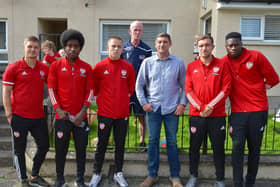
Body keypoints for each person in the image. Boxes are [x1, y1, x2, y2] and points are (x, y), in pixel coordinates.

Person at [221, 32, 279, 187]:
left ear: (241, 44)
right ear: (226, 47)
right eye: (230, 45)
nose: (233, 48)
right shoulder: (224, 62)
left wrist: (260, 88)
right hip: (238, 112)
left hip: (257, 111)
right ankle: (237, 183)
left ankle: (250, 183)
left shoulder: (256, 57)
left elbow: (274, 78)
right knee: (237, 147)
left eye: (236, 44)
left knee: (254, 149)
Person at [136, 32, 186, 187]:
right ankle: (152, 175)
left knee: (172, 142)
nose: (162, 45)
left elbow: (185, 87)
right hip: (153, 109)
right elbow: (139, 86)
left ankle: (175, 176)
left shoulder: (178, 63)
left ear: (170, 44)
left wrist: (182, 104)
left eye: (165, 42)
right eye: (159, 42)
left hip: (172, 109)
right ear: (155, 45)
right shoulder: (148, 63)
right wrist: (144, 103)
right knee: (152, 142)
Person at [48, 29, 93, 187]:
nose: (73, 48)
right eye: (69, 46)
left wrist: (83, 112)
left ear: (80, 48)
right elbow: (52, 89)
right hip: (62, 117)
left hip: (81, 117)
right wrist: (58, 109)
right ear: (64, 47)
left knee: (81, 150)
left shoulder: (86, 68)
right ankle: (60, 179)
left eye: (76, 46)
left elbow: (90, 91)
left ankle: (79, 180)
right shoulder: (55, 66)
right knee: (61, 150)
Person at [184, 35, 232, 187]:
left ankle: (220, 179)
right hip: (197, 115)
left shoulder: (222, 65)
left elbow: (226, 89)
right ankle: (193, 176)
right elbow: (188, 89)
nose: (204, 48)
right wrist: (200, 107)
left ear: (212, 46)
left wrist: (209, 106)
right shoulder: (192, 66)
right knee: (194, 148)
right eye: (201, 46)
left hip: (217, 115)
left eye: (207, 45)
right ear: (197, 48)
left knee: (218, 149)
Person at [2, 36, 50, 187]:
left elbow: (54, 85)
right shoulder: (13, 68)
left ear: (39, 50)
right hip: (19, 117)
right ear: (24, 47)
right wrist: (9, 114)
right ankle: (23, 180)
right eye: (30, 46)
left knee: (44, 146)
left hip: (38, 117)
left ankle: (34, 175)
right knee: (19, 149)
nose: (33, 50)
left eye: (36, 47)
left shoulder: (44, 69)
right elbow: (6, 92)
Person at [89, 36, 135, 187]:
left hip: (122, 115)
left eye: (119, 47)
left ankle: (119, 173)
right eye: (113, 46)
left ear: (123, 49)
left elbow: (130, 88)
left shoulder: (127, 67)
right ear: (107, 48)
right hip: (104, 114)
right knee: (101, 144)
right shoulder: (99, 67)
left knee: (120, 145)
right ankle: (96, 173)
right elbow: (94, 89)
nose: (116, 49)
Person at [121, 21, 152, 151]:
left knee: (141, 117)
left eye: (139, 30)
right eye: (135, 30)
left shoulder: (147, 49)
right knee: (123, 118)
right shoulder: (123, 48)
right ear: (130, 31)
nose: (137, 32)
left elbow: (150, 70)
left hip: (141, 90)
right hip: (125, 89)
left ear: (142, 32)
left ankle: (141, 142)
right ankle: (121, 141)